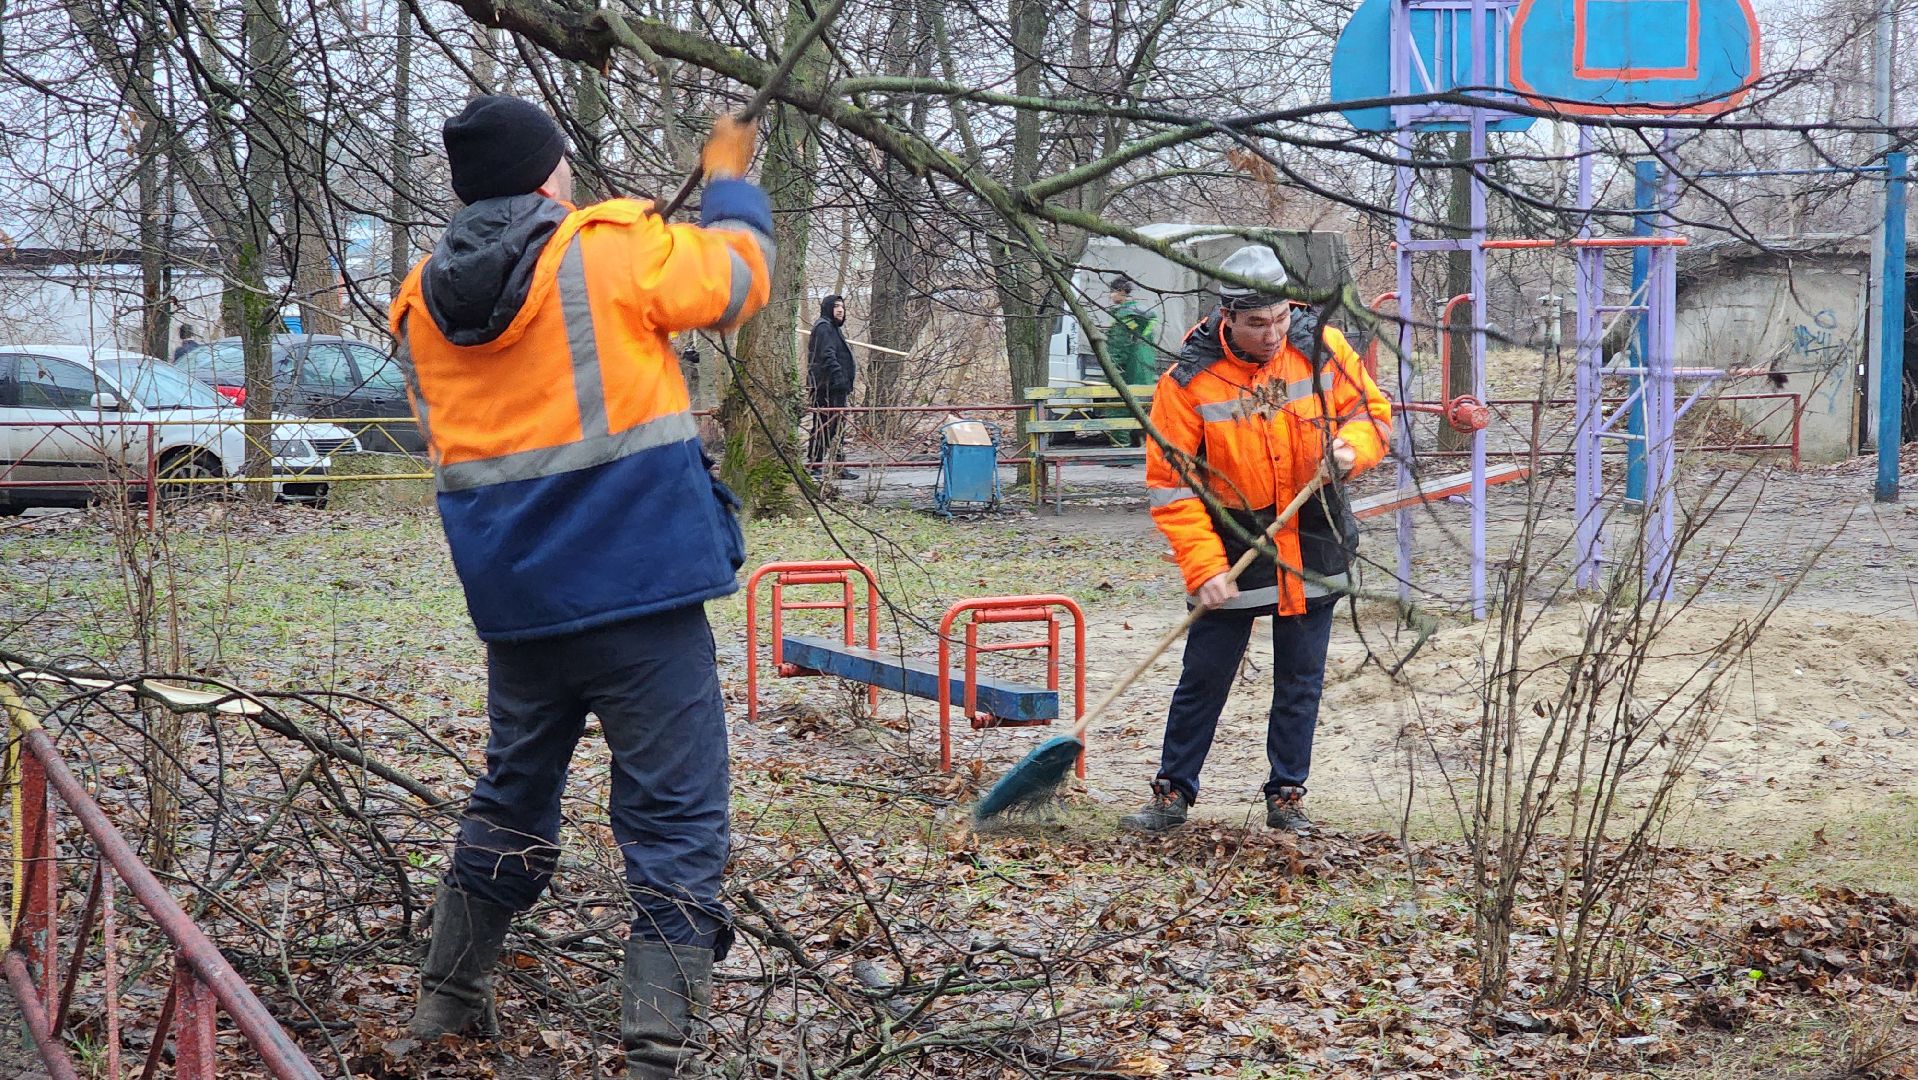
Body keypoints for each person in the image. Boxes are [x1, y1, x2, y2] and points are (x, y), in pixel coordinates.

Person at [388, 94, 773, 1077]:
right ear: (551, 173)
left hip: (519, 608)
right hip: (639, 597)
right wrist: (728, 177)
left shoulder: (420, 300)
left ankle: (445, 999)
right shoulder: (608, 251)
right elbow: (736, 283)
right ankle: (655, 1049)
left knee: (513, 794)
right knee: (676, 814)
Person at [1122, 245, 1392, 836]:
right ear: (1227, 316)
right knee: (1205, 673)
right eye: (1256, 323)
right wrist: (1203, 566)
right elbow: (1172, 487)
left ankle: (1287, 795)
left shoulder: (1321, 345)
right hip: (1232, 536)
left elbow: (1370, 411)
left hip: (1313, 526)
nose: (1271, 334)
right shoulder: (1187, 383)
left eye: (1278, 318)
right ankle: (1172, 794)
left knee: (1301, 677)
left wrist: (1349, 449)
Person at [806, 295, 858, 480]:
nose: (840, 309)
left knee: (837, 427)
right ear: (828, 308)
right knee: (824, 425)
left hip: (836, 388)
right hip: (826, 388)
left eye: (842, 307)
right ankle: (815, 463)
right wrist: (839, 378)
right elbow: (827, 356)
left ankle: (836, 465)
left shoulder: (833, 329)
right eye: (836, 306)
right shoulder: (824, 328)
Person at [1103, 277, 1158, 450]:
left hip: (1127, 370)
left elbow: (1118, 349)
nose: (1110, 296)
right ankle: (1140, 446)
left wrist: (1111, 371)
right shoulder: (1147, 314)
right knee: (1141, 409)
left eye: (1112, 291)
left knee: (1117, 407)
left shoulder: (1123, 316)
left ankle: (1121, 448)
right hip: (1145, 368)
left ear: (1121, 292)